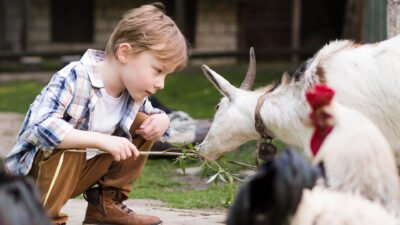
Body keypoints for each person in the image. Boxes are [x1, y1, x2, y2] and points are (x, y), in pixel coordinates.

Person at [4, 2, 188, 225]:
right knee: (73, 141)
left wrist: (163, 120)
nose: (161, 84)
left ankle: (106, 205)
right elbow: (41, 128)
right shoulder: (74, 76)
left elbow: (154, 115)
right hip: (33, 182)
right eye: (158, 70)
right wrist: (103, 140)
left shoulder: (132, 92)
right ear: (124, 53)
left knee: (147, 123)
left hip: (77, 175)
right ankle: (43, 218)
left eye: (166, 75)